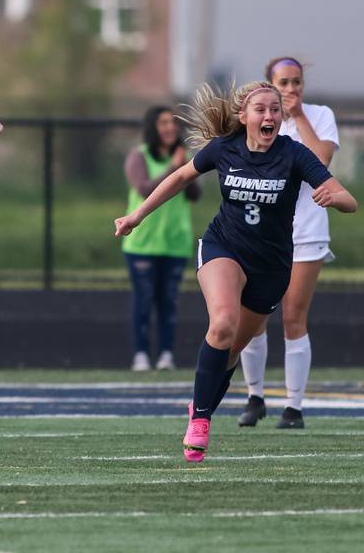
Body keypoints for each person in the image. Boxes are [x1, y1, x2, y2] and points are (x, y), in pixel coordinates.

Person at [114, 81, 356, 462]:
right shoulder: (225, 149)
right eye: (261, 109)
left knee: (230, 352)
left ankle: (201, 404)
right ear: (243, 116)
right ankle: (201, 419)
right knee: (222, 324)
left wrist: (335, 199)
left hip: (271, 266)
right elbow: (179, 178)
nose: (270, 116)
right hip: (222, 248)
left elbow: (348, 199)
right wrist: (135, 216)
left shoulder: (293, 154)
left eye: (275, 109)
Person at [238, 57, 339, 429]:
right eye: (284, 82)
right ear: (269, 83)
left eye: (297, 82)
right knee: (254, 317)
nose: (292, 89)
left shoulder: (319, 115)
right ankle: (255, 397)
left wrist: (299, 118)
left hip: (307, 231)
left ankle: (293, 407)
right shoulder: (261, 118)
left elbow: (322, 162)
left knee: (294, 316)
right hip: (263, 235)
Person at [122, 106, 201, 371]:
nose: (170, 128)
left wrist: (186, 168)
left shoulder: (184, 157)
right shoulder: (139, 156)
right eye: (164, 123)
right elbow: (144, 189)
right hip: (142, 243)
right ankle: (141, 354)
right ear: (152, 127)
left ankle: (166, 354)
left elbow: (194, 194)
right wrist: (174, 168)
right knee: (143, 300)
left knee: (168, 301)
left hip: (175, 242)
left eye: (173, 123)